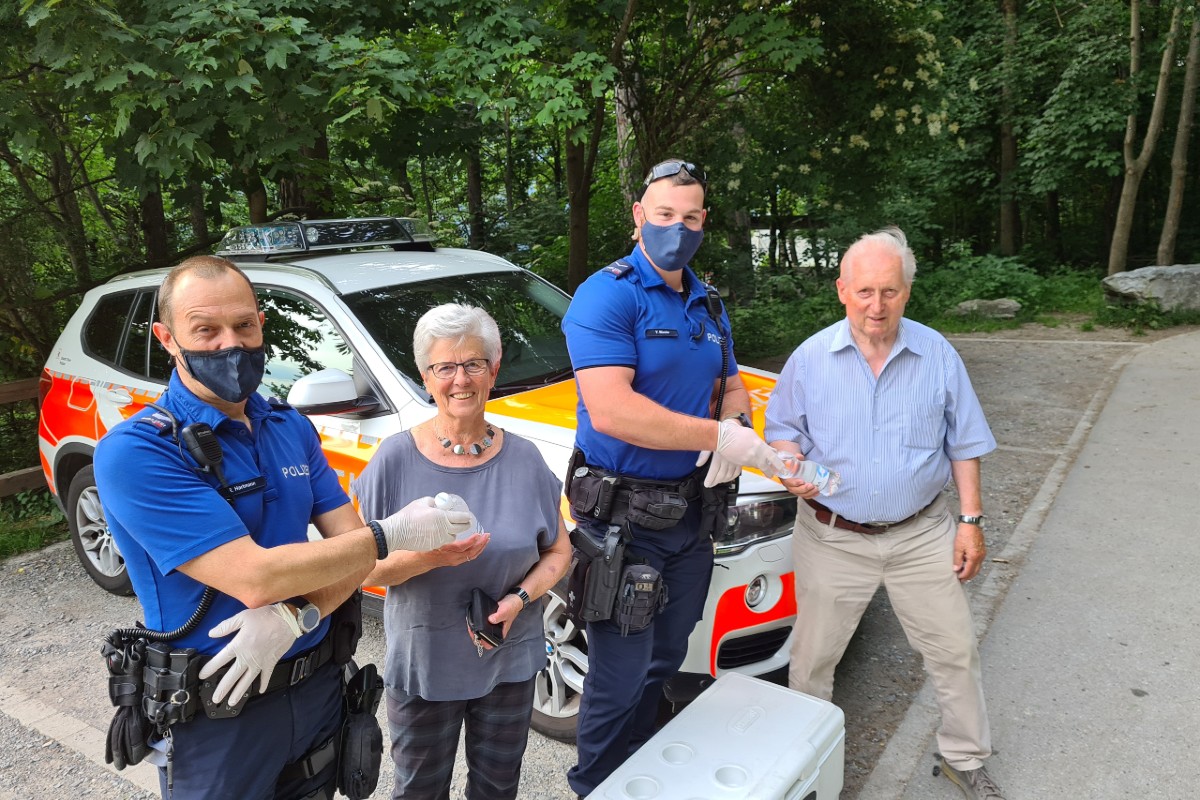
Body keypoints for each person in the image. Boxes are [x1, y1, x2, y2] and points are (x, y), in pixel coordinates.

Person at [93, 255, 475, 800]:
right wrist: (390, 535)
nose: (231, 344)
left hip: (317, 688)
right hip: (222, 710)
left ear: (261, 325)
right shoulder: (138, 452)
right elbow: (255, 578)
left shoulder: (288, 426)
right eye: (206, 329)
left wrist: (300, 613)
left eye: (244, 325)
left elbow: (356, 553)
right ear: (167, 338)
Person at [561, 158, 783, 797]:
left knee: (666, 656)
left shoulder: (705, 300)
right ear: (638, 216)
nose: (677, 229)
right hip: (625, 524)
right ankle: (593, 785)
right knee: (619, 673)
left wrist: (738, 426)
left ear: (703, 222)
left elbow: (731, 383)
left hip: (693, 514)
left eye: (690, 218)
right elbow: (612, 408)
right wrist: (718, 436)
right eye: (664, 215)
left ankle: (639, 770)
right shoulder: (609, 294)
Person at [764, 227, 1006, 800]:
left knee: (954, 650)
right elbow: (782, 435)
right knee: (814, 659)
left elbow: (964, 442)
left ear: (908, 292)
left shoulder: (937, 354)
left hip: (922, 533)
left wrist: (970, 521)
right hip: (832, 537)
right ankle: (805, 766)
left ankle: (964, 758)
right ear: (842, 290)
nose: (877, 306)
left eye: (890, 292)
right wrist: (791, 465)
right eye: (866, 291)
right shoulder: (810, 360)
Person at [352, 303, 572, 800]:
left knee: (497, 788)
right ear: (425, 377)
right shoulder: (394, 459)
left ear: (494, 370)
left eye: (473, 364)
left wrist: (521, 595)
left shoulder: (526, 458)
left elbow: (559, 551)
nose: (460, 380)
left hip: (509, 660)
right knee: (419, 790)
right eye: (443, 367)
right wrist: (430, 558)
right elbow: (357, 564)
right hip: (426, 664)